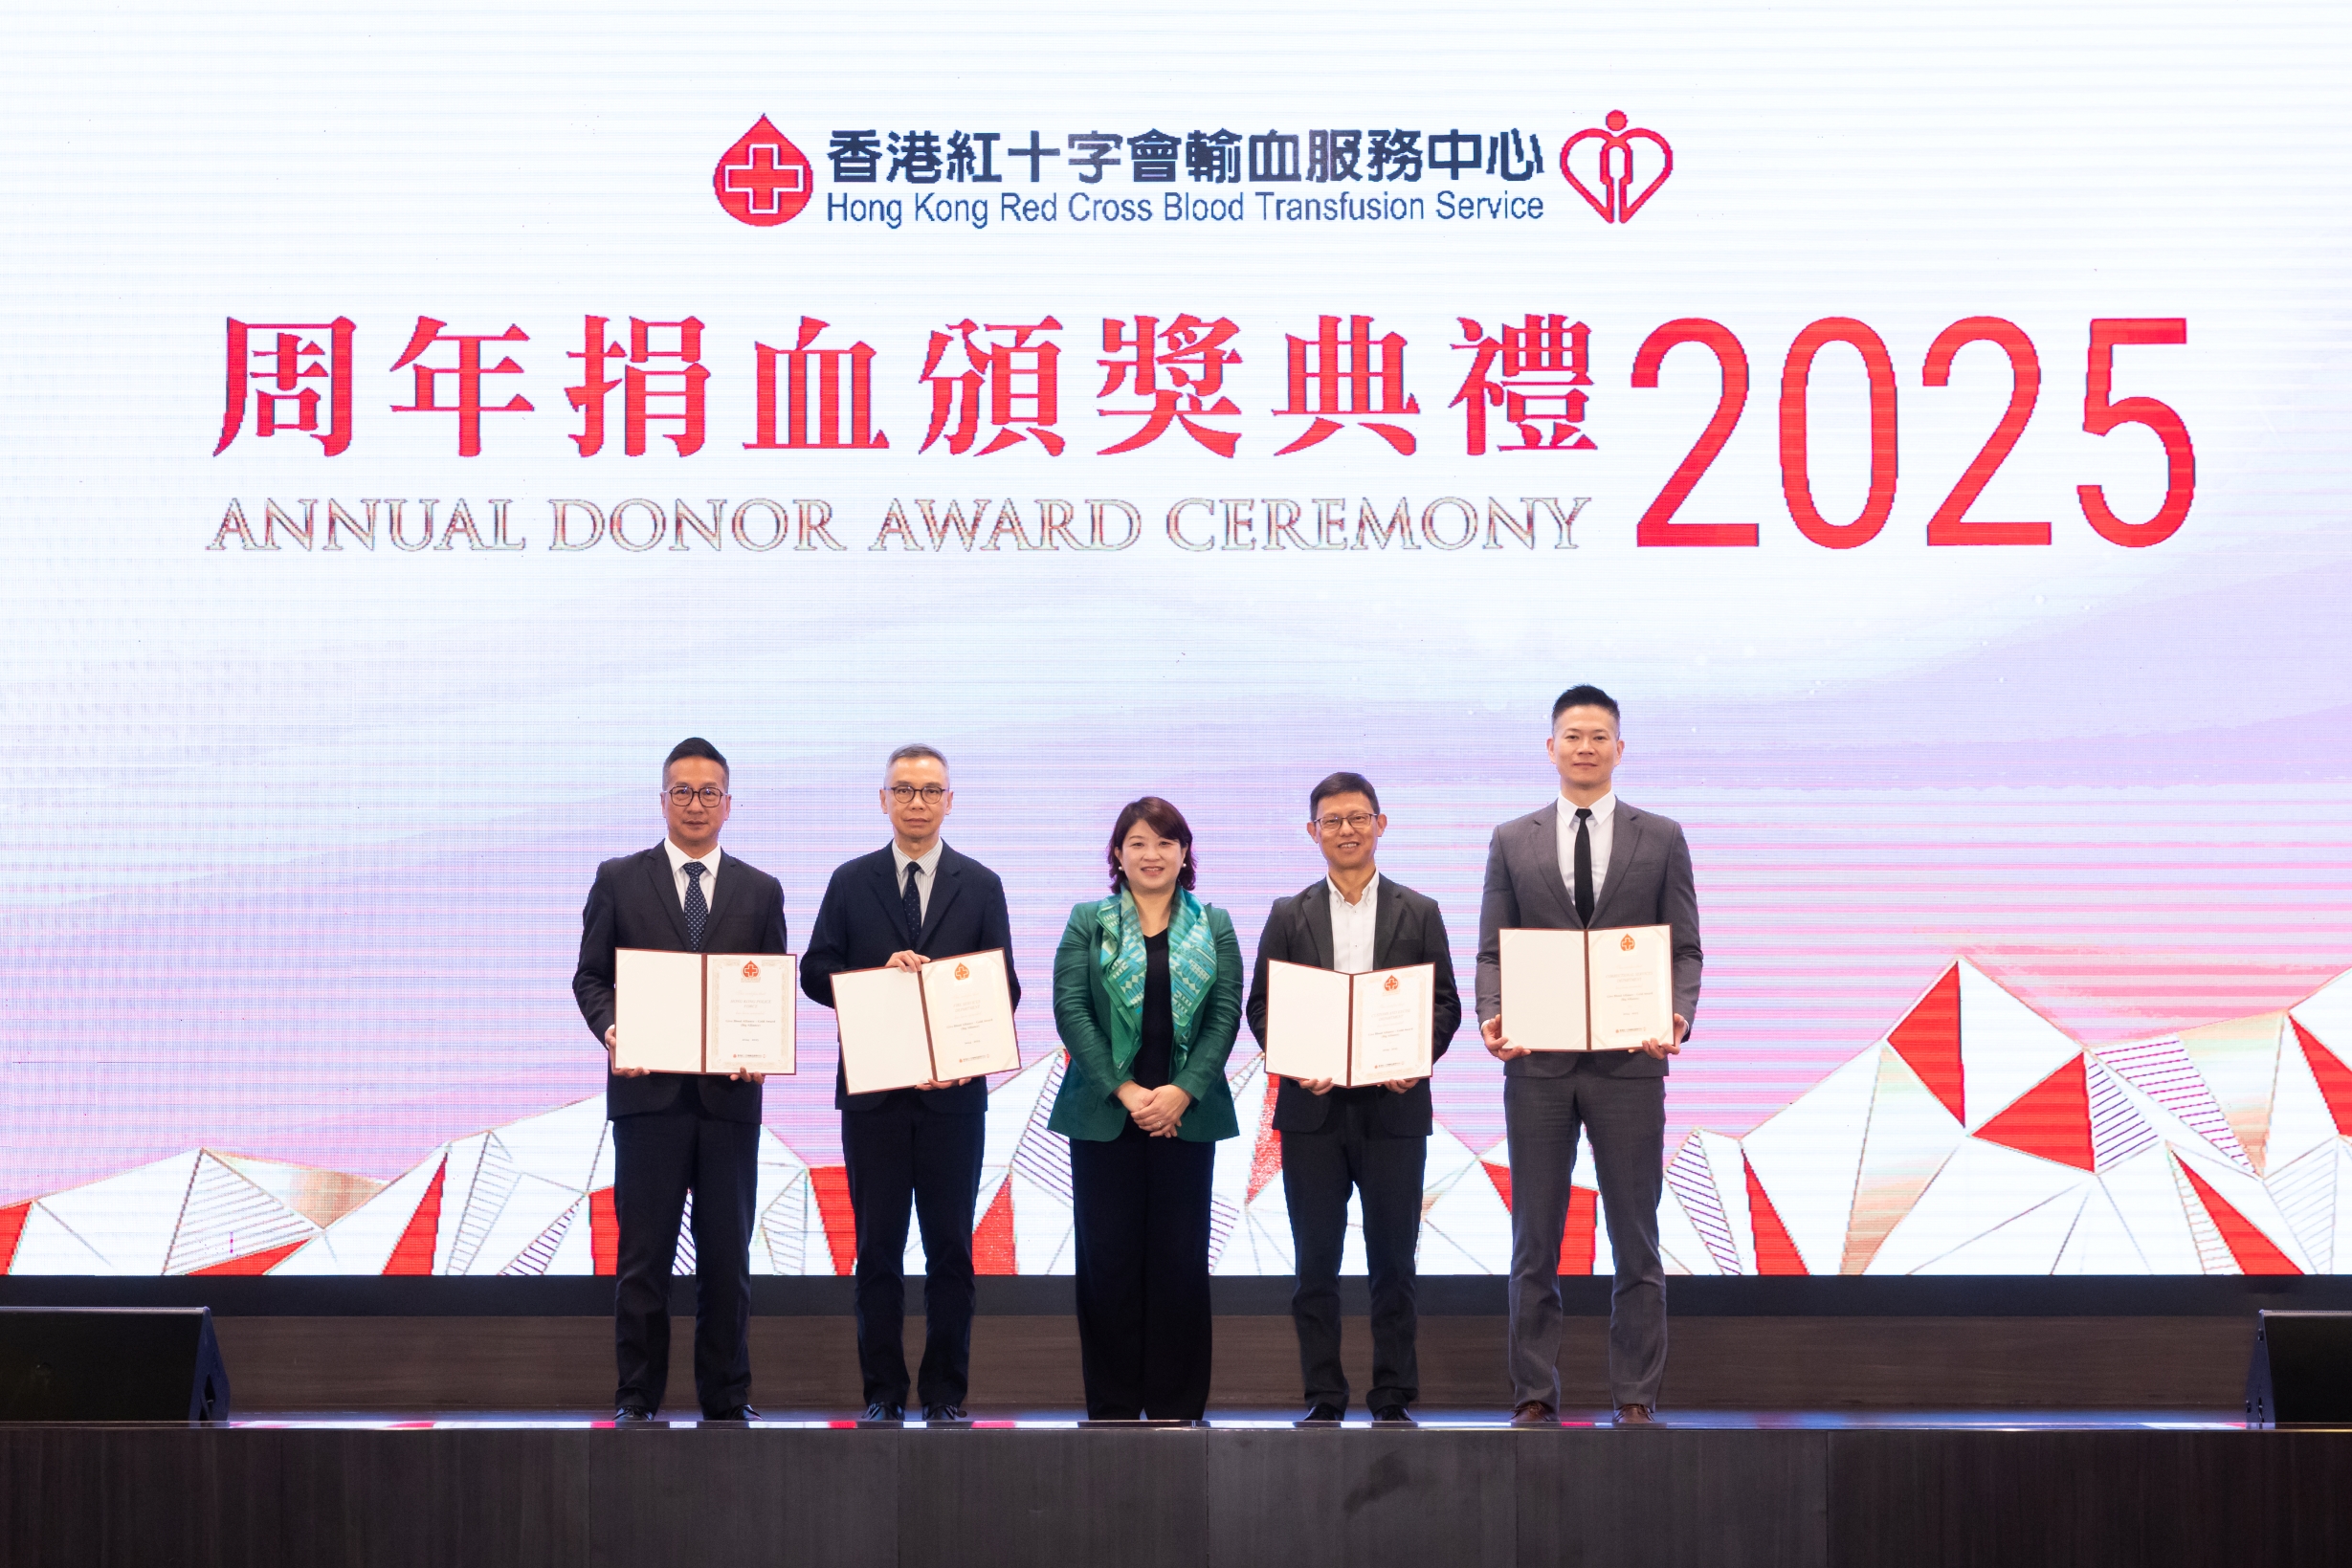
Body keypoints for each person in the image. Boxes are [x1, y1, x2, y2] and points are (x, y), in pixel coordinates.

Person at [1476, 686, 1702, 1429]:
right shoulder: (1513, 839)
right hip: (1537, 1064)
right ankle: (1533, 1391)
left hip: (1630, 1065)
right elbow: (1491, 948)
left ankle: (1635, 1393)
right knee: (1534, 1237)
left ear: (1619, 748)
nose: (1584, 746)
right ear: (1551, 747)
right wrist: (1491, 1014)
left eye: (1598, 735)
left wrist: (1677, 1013)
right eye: (1571, 735)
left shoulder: (1662, 836)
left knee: (1635, 1235)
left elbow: (1686, 946)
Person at [801, 744, 1020, 1424]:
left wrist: (958, 998)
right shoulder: (850, 879)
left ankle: (947, 1393)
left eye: (930, 790)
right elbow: (814, 971)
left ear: (950, 800)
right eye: (904, 789)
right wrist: (876, 975)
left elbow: (1003, 986)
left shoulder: (980, 883)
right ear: (884, 800)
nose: (917, 802)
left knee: (951, 1247)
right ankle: (883, 1393)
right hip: (875, 1097)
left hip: (954, 1097)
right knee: (878, 1249)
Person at [572, 738, 787, 1424]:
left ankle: (726, 1396)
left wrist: (763, 1044)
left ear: (729, 802)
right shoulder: (618, 878)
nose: (696, 804)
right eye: (683, 791)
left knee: (727, 1260)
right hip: (649, 1099)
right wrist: (613, 1030)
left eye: (709, 792)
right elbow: (591, 976)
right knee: (644, 1258)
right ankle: (637, 1396)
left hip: (729, 1100)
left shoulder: (760, 889)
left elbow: (769, 988)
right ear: (661, 798)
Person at [1245, 771, 1461, 1425]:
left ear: (1381, 824)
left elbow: (1444, 1003)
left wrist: (1415, 1057)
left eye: (1358, 817)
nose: (1346, 829)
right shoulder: (1289, 912)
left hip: (1393, 1108)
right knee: (1315, 1262)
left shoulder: (1419, 910)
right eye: (1332, 820)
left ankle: (1392, 1393)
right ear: (1313, 831)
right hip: (1312, 1112)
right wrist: (1294, 1059)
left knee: (1394, 1261)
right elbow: (1263, 1005)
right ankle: (1324, 1393)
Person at [1049, 796, 1244, 1422]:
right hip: (1107, 1115)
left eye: (1164, 842)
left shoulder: (1213, 924)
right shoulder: (1090, 920)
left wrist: (1181, 1089)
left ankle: (1176, 1404)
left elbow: (1224, 1015)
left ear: (1185, 852)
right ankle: (1111, 1403)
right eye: (1137, 842)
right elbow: (1072, 1011)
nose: (1151, 854)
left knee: (1179, 1261)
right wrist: (1128, 1091)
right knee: (1106, 1261)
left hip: (1186, 1116)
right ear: (1117, 854)